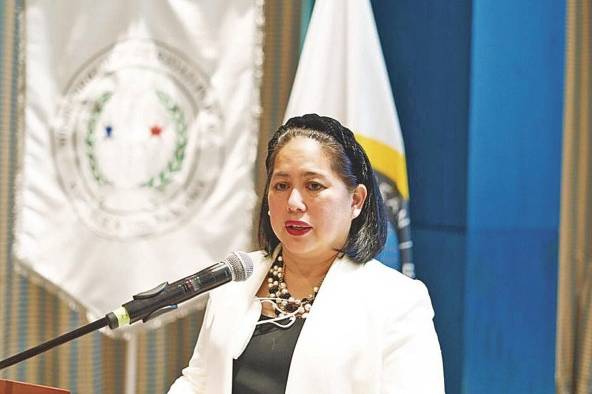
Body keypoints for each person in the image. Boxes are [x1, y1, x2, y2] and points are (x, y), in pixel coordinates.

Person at [168, 114, 444, 393]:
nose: (294, 202)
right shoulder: (234, 281)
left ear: (356, 200)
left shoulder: (396, 301)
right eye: (281, 185)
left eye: (314, 186)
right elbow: (199, 381)